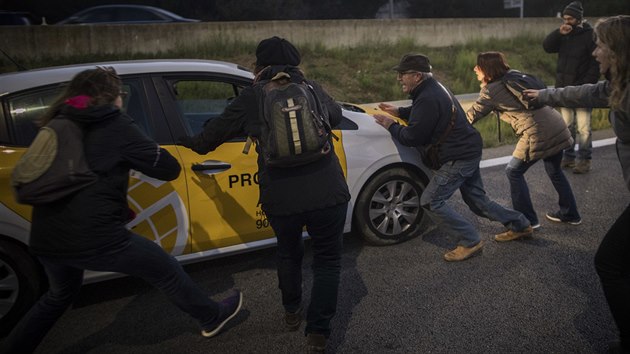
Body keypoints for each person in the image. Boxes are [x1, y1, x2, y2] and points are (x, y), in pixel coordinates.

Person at [1, 67, 243, 354]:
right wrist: (131, 129)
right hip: (97, 236)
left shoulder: (59, 120)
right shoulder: (115, 124)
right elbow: (168, 167)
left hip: (47, 237)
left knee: (59, 295)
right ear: (113, 97)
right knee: (165, 269)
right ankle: (211, 315)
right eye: (121, 95)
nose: (122, 100)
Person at [177, 36, 350, 353]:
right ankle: (319, 331)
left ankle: (291, 311)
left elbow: (206, 140)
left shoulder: (253, 96)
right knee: (327, 262)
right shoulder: (311, 88)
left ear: (260, 66)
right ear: (295, 64)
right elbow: (336, 116)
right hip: (328, 191)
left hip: (281, 198)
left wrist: (182, 139)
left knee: (288, 252)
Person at [525, 15, 630, 354]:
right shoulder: (618, 84)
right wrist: (544, 95)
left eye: (600, 45)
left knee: (609, 263)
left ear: (618, 50)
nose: (595, 52)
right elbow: (584, 92)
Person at [374, 54, 532, 261]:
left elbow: (412, 136)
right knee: (477, 201)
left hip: (458, 156)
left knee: (431, 201)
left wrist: (390, 124)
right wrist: (401, 111)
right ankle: (521, 224)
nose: (399, 78)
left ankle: (470, 240)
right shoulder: (433, 88)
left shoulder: (427, 96)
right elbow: (424, 112)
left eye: (403, 74)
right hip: (468, 148)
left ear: (417, 76)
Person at [466, 52, 581, 230]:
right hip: (555, 123)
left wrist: (448, 124)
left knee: (513, 172)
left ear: (486, 69)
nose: (475, 69)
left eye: (478, 66)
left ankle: (527, 221)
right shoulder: (514, 75)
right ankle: (571, 214)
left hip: (537, 132)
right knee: (555, 171)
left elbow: (472, 115)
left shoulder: (491, 90)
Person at [543, 1, 600, 174]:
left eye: (570, 19)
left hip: (583, 89)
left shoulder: (591, 35)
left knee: (584, 128)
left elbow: (595, 63)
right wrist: (558, 33)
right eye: (565, 18)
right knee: (567, 126)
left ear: (579, 19)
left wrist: (586, 83)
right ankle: (568, 157)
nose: (566, 21)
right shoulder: (564, 34)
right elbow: (547, 47)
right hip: (564, 89)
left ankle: (584, 160)